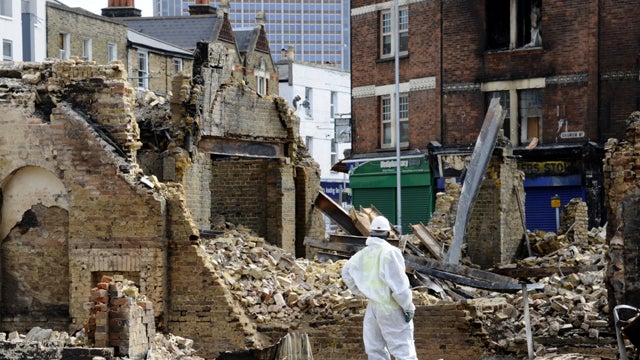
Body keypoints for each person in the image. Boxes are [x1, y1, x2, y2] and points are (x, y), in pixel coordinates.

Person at [342, 215, 418, 360]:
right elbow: (399, 286)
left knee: (375, 350)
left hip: (373, 307)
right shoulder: (391, 252)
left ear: (371, 233)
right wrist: (408, 307)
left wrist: (361, 291)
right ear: (388, 234)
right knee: (403, 350)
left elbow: (346, 272)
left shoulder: (362, 254)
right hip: (391, 307)